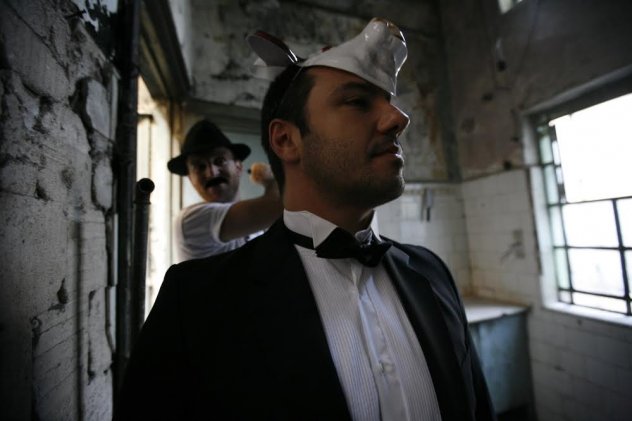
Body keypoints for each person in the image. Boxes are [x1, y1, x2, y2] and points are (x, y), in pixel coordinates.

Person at [116, 18, 495, 421]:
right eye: (357, 102)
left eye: (389, 101)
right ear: (286, 140)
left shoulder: (432, 273)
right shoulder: (190, 301)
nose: (399, 118)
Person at [167, 120, 282, 261]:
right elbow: (279, 205)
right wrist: (273, 178)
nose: (211, 173)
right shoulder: (191, 220)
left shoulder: (259, 229)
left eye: (220, 161)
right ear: (190, 179)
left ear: (238, 167)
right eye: (199, 167)